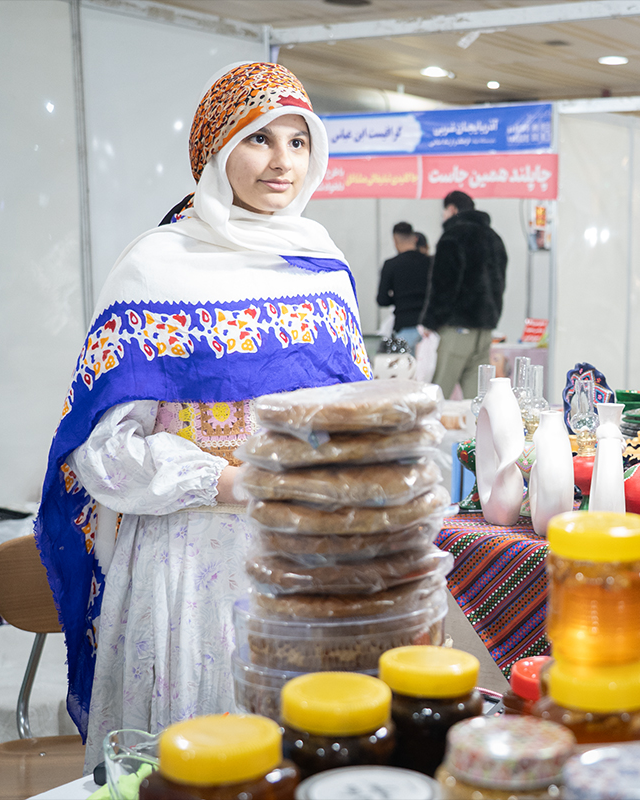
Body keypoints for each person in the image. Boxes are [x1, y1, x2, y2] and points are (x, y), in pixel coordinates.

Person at [33, 62, 372, 768]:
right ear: (216, 150)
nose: (282, 162)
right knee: (195, 760)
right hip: (187, 565)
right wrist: (224, 482)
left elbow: (349, 411)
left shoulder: (320, 264)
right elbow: (103, 450)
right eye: (259, 138)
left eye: (298, 142)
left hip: (299, 558)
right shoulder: (155, 271)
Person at [420, 190, 507, 399]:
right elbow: (500, 284)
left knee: (437, 397)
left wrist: (430, 322)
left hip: (457, 330)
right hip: (484, 332)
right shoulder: (495, 239)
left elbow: (444, 285)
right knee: (478, 401)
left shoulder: (453, 236)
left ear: (452, 209)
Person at [376, 221, 432, 352]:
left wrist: (399, 299)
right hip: (429, 328)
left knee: (403, 364)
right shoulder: (431, 262)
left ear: (395, 240)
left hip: (404, 325)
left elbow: (382, 300)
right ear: (415, 238)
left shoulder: (390, 265)